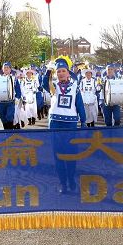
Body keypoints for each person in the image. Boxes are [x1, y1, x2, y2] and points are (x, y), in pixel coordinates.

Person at [41, 57, 86, 193]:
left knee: (71, 154)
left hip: (70, 125)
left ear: (68, 73)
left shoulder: (75, 87)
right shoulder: (53, 87)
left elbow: (80, 106)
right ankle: (63, 183)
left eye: (63, 71)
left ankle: (71, 179)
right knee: (58, 155)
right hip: (55, 124)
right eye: (58, 71)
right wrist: (49, 70)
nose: (61, 73)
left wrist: (83, 122)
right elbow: (44, 83)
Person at [0, 62, 22, 129]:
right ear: (2, 69)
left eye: (7, 68)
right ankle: (6, 130)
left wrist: (17, 98)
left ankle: (10, 132)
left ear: (10, 69)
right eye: (4, 68)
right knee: (2, 116)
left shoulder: (14, 79)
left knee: (9, 116)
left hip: (10, 102)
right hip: (1, 102)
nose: (6, 69)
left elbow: (18, 91)